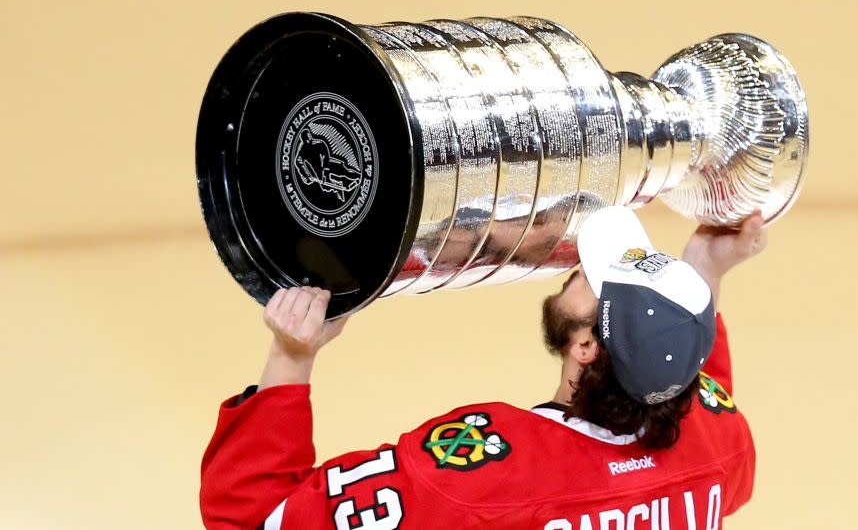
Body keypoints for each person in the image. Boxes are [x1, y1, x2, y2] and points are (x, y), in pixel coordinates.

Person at [200, 206, 768, 530]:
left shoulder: (476, 481)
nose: (581, 270)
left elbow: (254, 519)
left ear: (586, 347)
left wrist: (291, 358)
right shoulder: (720, 452)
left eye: (597, 277)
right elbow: (702, 398)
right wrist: (703, 272)